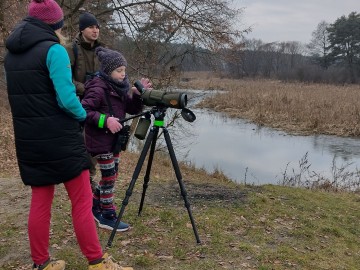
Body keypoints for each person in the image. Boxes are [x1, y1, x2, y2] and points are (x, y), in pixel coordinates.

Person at [4, 1, 133, 269]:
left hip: (29, 139)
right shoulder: (55, 50)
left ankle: (42, 264)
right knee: (83, 198)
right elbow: (66, 99)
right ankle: (97, 261)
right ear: (56, 24)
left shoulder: (12, 55)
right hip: (61, 138)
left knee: (41, 200)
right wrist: (81, 117)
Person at [81, 46, 152, 232]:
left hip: (114, 142)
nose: (123, 74)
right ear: (107, 71)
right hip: (99, 141)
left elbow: (133, 109)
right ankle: (108, 215)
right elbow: (83, 111)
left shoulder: (118, 88)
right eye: (119, 71)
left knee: (111, 176)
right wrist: (105, 120)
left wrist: (137, 97)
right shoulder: (97, 88)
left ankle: (95, 205)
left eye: (124, 70)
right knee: (110, 177)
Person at [65, 11, 102, 192]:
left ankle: (91, 179)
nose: (95, 31)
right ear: (82, 30)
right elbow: (65, 80)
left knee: (95, 142)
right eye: (91, 27)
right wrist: (85, 88)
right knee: (82, 142)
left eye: (97, 27)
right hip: (79, 102)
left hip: (98, 103)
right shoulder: (71, 49)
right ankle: (82, 179)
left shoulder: (102, 50)